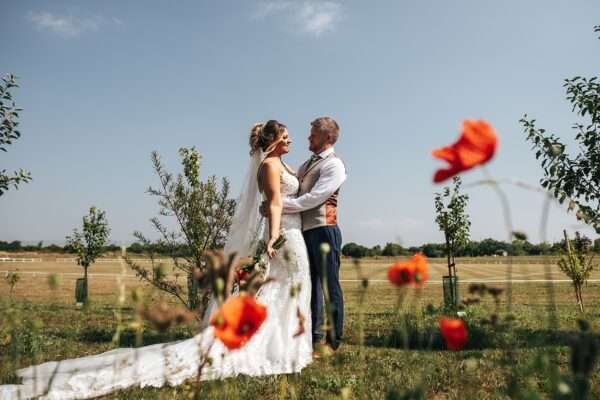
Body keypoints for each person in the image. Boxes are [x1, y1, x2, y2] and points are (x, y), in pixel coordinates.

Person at [0, 120, 313, 399]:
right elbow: (273, 204)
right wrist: (272, 237)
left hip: (291, 229)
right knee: (285, 290)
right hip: (285, 234)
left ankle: (285, 346)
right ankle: (274, 349)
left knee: (287, 291)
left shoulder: (282, 165)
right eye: (285, 136)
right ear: (273, 141)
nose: (290, 141)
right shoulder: (270, 167)